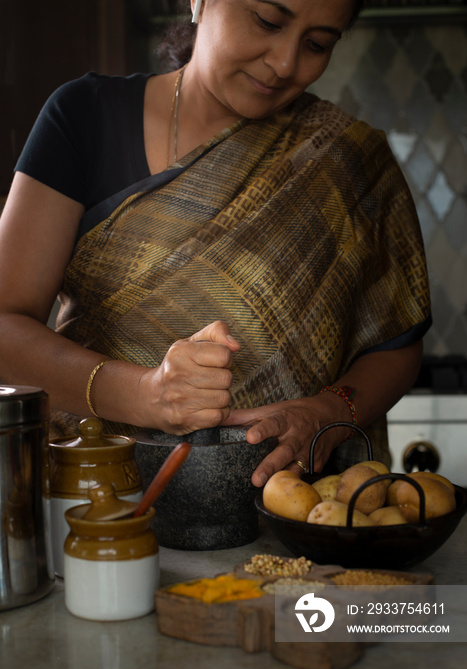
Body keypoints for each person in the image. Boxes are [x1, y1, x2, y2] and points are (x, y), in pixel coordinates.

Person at [0, 0, 431, 488]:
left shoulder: (351, 163)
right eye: (268, 21)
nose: (286, 63)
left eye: (317, 44)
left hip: (291, 516)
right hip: (99, 506)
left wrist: (328, 411)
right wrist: (147, 393)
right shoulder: (83, 117)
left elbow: (397, 345)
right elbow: (5, 331)